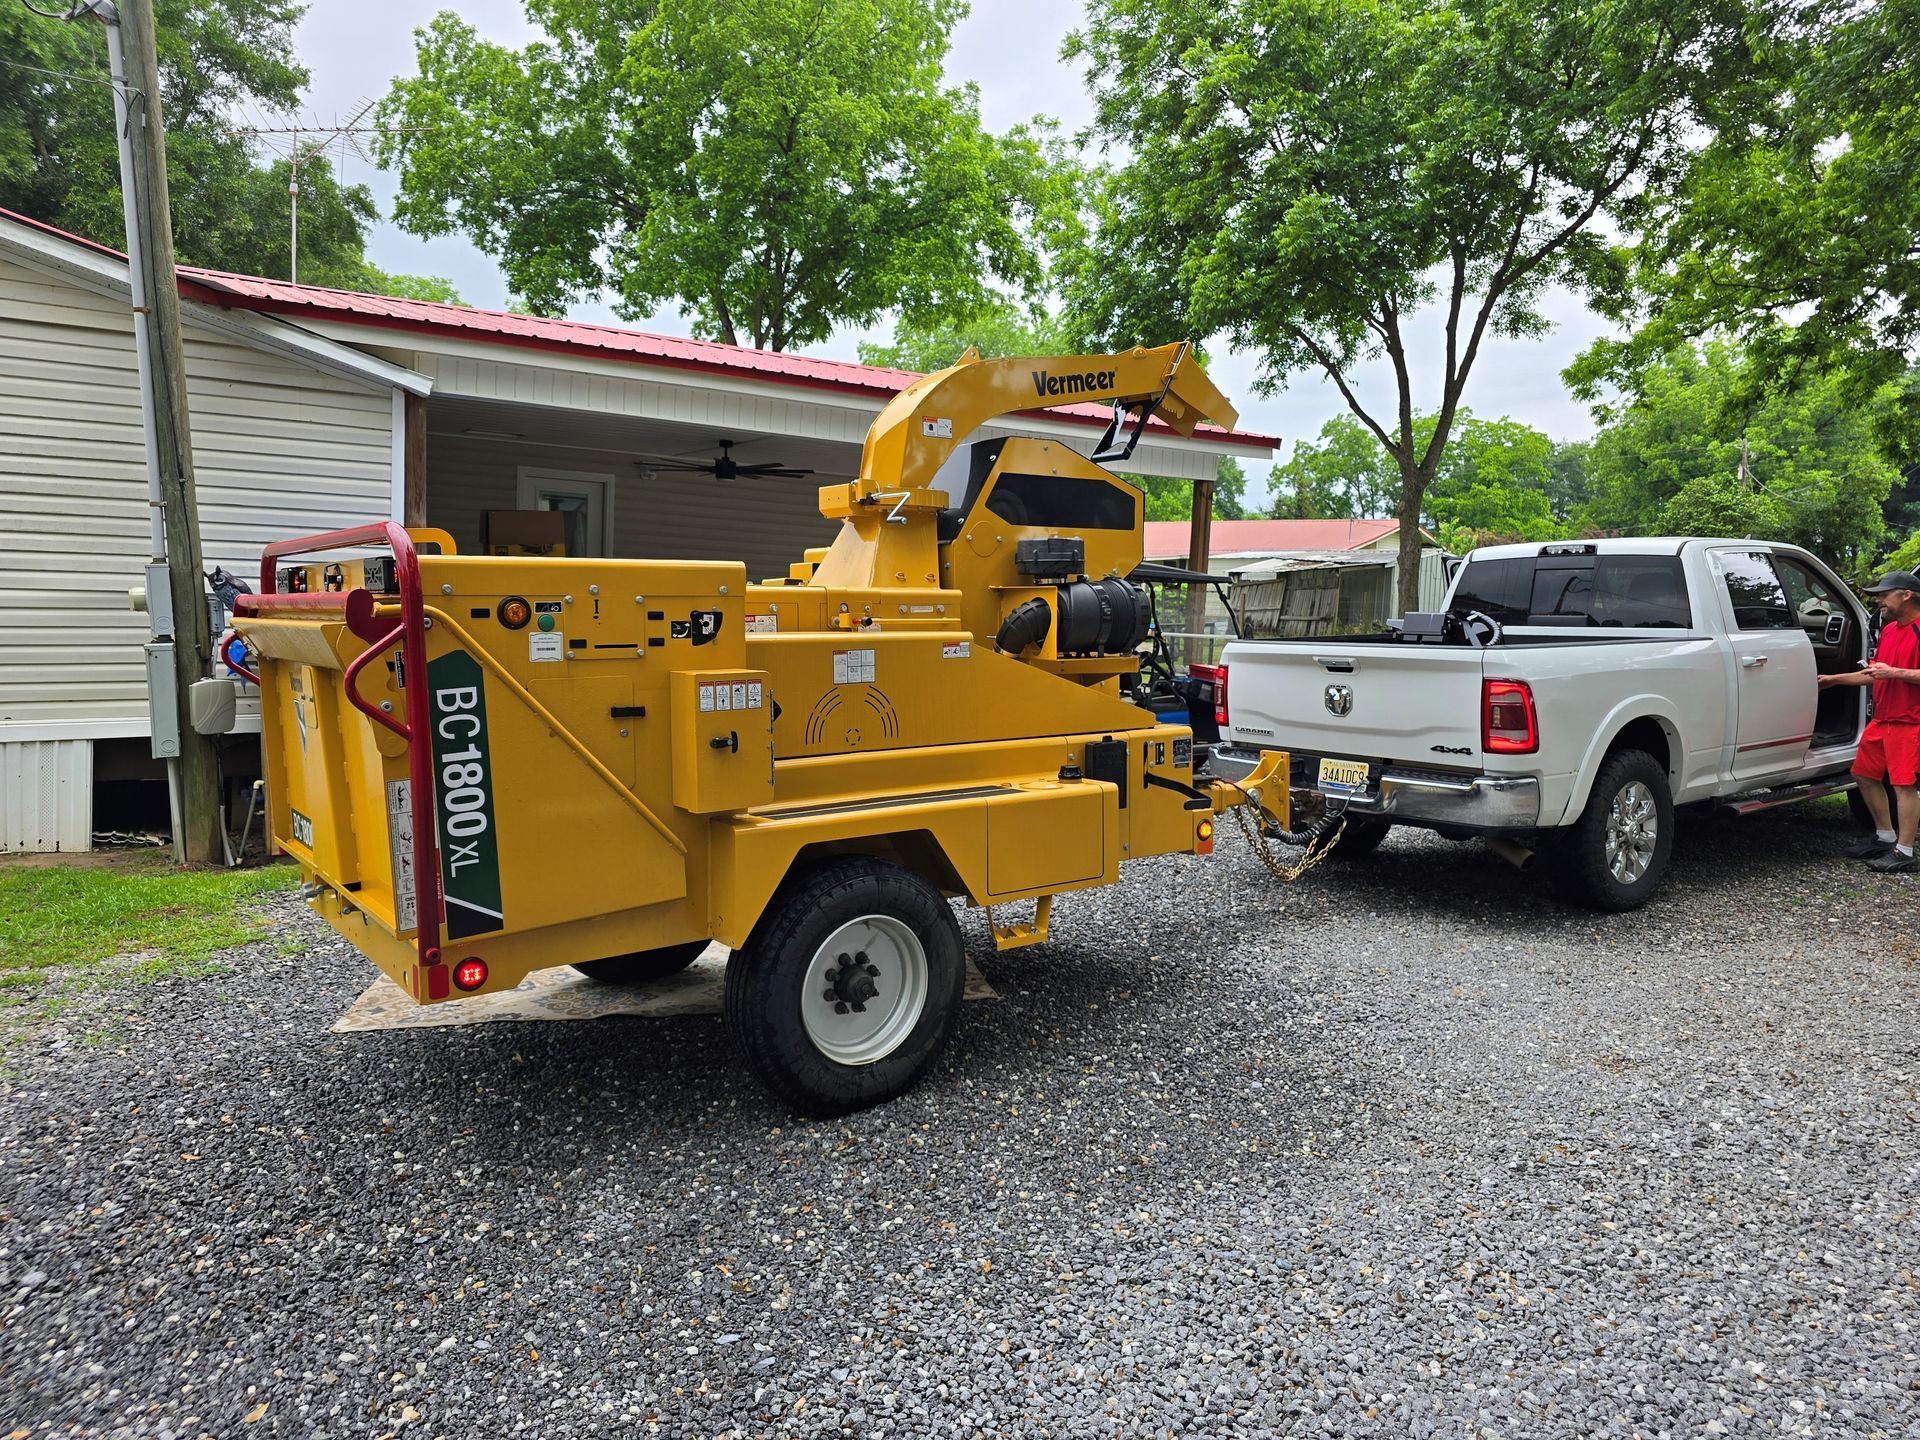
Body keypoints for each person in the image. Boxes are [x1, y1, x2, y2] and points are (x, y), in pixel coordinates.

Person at [1819, 569, 1920, 872]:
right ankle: (1885, 837)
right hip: (1883, 719)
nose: (1879, 601)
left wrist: (1893, 672)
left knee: (1904, 786)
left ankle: (1905, 852)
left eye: (1884, 595)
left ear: (1907, 595)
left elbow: (1889, 672)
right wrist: (1834, 679)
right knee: (1862, 774)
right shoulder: (1889, 631)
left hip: (1910, 722)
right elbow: (1875, 672)